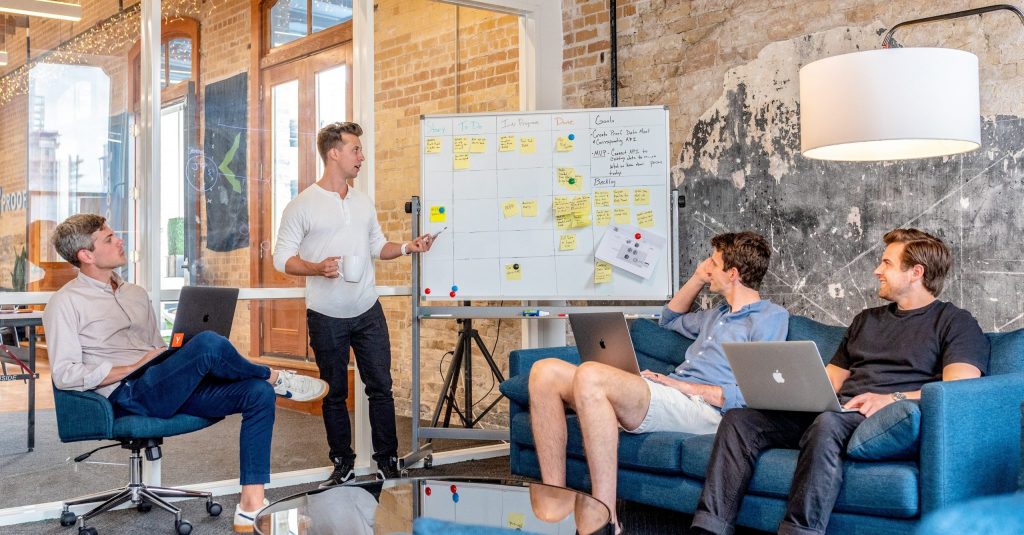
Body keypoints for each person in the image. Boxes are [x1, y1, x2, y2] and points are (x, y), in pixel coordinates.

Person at [690, 228, 990, 535]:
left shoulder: (955, 322)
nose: (877, 270)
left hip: (887, 419)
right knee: (741, 421)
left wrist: (892, 398)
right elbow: (831, 380)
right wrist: (788, 392)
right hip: (842, 412)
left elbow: (958, 391)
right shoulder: (866, 320)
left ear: (916, 272)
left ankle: (800, 531)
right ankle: (710, 528)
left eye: (886, 263)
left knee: (828, 423)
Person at [44, 213, 330, 534]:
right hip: (128, 394)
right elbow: (65, 374)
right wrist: (133, 366)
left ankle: (250, 506)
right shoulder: (65, 303)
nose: (119, 240)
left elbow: (155, 348)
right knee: (208, 344)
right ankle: (274, 376)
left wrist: (170, 357)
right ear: (86, 255)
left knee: (256, 393)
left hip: (161, 384)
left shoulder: (134, 293)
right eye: (109, 239)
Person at [528, 231, 789, 529]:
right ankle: (556, 497)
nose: (707, 266)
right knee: (544, 372)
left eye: (713, 263)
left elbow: (758, 391)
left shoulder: (769, 318)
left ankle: (607, 519)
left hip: (705, 411)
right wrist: (696, 278)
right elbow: (670, 319)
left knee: (590, 375)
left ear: (733, 273)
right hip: (672, 396)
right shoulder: (716, 315)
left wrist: (688, 387)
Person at [273, 121, 435, 486]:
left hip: (367, 310)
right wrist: (316, 267)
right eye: (355, 149)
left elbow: (378, 246)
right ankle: (342, 462)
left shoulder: (362, 202)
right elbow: (281, 258)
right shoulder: (303, 204)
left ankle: (387, 460)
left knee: (380, 386)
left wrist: (409, 247)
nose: (361, 156)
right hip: (326, 316)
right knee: (334, 391)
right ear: (334, 153)